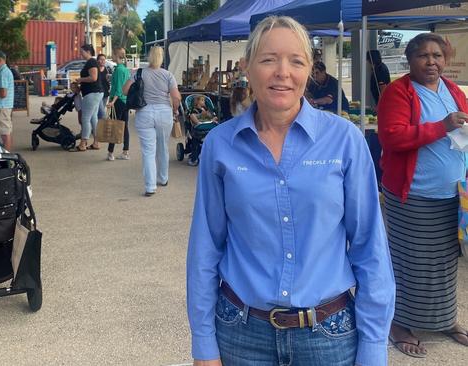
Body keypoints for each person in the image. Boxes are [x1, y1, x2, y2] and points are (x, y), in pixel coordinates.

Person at [186, 16, 395, 366]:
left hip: (329, 335)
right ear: (247, 68)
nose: (282, 72)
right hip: (241, 334)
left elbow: (369, 247)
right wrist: (203, 343)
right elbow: (206, 248)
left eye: (296, 61)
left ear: (310, 70)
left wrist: (374, 347)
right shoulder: (220, 145)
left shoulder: (345, 141)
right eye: (268, 59)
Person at [378, 32, 468, 359]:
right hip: (413, 195)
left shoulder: (452, 89)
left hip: (451, 195)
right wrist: (442, 126)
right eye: (423, 56)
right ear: (409, 60)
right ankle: (400, 323)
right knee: (410, 261)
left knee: (445, 261)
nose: (432, 62)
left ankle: (443, 319)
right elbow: (392, 138)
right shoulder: (398, 93)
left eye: (438, 56)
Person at [122, 46, 181, 196]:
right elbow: (176, 97)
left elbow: (124, 90)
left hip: (144, 113)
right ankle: (163, 178)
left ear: (149, 56)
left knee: (148, 151)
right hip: (164, 113)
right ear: (162, 58)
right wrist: (175, 110)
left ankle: (150, 187)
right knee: (163, 147)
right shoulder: (168, 75)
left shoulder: (138, 73)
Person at [73, 44, 103, 151]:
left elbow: (93, 77)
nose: (81, 53)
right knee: (93, 118)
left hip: (92, 94)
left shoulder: (91, 62)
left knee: (85, 118)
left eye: (82, 51)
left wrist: (80, 80)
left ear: (88, 51)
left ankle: (83, 143)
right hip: (95, 93)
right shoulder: (91, 62)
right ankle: (96, 142)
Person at [105, 47, 130, 161]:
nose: (111, 57)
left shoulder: (119, 70)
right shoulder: (124, 69)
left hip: (118, 101)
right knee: (124, 126)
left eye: (113, 55)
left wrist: (112, 102)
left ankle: (110, 152)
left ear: (116, 55)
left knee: (114, 126)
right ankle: (125, 152)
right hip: (125, 101)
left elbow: (119, 89)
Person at [96, 53, 110, 120]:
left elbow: (109, 81)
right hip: (98, 93)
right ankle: (98, 127)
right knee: (101, 112)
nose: (103, 61)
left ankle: (98, 127)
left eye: (104, 60)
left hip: (105, 93)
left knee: (100, 111)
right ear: (97, 60)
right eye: (101, 59)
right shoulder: (95, 70)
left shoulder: (107, 69)